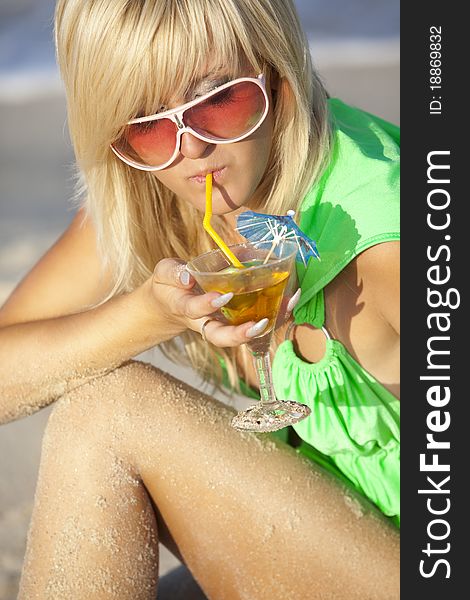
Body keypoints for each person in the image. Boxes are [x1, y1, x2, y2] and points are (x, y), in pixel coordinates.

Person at [0, 0, 400, 598]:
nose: (189, 148)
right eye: (147, 122)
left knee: (110, 413)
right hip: (339, 514)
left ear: (279, 81)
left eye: (219, 101)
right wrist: (150, 314)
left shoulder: (382, 249)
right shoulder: (158, 190)